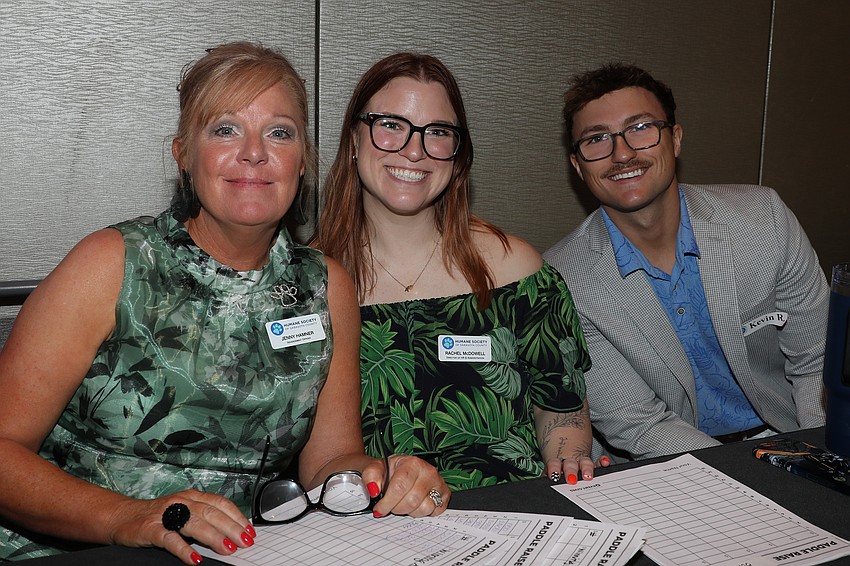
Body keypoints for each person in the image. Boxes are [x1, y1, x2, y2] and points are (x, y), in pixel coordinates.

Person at [0, 42, 446, 564]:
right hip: (68, 551)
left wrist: (376, 476)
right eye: (225, 129)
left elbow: (328, 461)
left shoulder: (326, 286)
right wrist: (127, 516)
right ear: (184, 155)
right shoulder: (113, 264)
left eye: (279, 132)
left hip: (242, 554)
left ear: (303, 161)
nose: (254, 152)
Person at [314, 52, 597, 492]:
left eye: (438, 132)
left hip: (514, 515)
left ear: (457, 153)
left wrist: (570, 455)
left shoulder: (516, 270)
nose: (414, 149)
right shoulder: (306, 284)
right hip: (374, 530)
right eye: (391, 125)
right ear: (354, 137)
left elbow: (561, 410)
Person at [543, 63, 829, 461]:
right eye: (597, 139)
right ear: (578, 165)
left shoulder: (763, 220)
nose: (622, 153)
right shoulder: (562, 280)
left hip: (789, 438)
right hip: (666, 464)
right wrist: (752, 481)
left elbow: (816, 361)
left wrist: (816, 456)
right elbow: (639, 423)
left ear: (674, 139)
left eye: (640, 128)